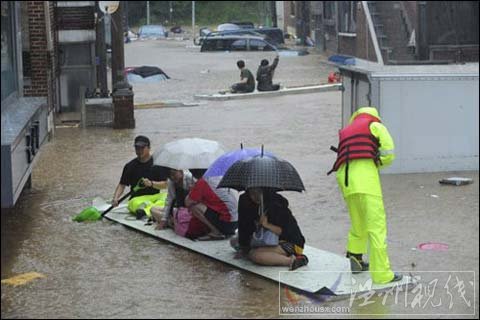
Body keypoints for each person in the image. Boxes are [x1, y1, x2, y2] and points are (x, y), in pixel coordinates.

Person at [327, 106, 403, 284]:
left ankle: (356, 259)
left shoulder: (347, 130)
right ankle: (382, 275)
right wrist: (377, 164)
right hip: (366, 180)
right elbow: (389, 152)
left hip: (345, 180)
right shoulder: (375, 126)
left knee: (358, 222)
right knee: (377, 228)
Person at [234, 187, 308, 271]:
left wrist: (266, 224)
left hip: (290, 242)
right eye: (252, 193)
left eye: (258, 192)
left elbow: (286, 232)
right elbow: (244, 227)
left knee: (255, 255)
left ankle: (293, 260)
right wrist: (243, 246)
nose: (256, 196)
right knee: (234, 242)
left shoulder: (276, 204)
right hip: (267, 240)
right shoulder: (246, 201)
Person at [112, 135, 169, 219]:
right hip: (137, 199)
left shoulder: (158, 164)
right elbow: (122, 185)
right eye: (137, 148)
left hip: (154, 197)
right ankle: (151, 211)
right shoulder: (130, 166)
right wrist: (115, 198)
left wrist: (151, 183)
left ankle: (147, 211)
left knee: (165, 196)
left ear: (149, 148)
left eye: (142, 148)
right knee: (132, 203)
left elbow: (165, 184)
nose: (139, 150)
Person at [184, 169, 238, 240]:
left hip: (226, 224)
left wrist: (192, 191)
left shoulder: (202, 181)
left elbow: (187, 202)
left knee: (194, 207)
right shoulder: (219, 177)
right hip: (236, 223)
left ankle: (216, 232)